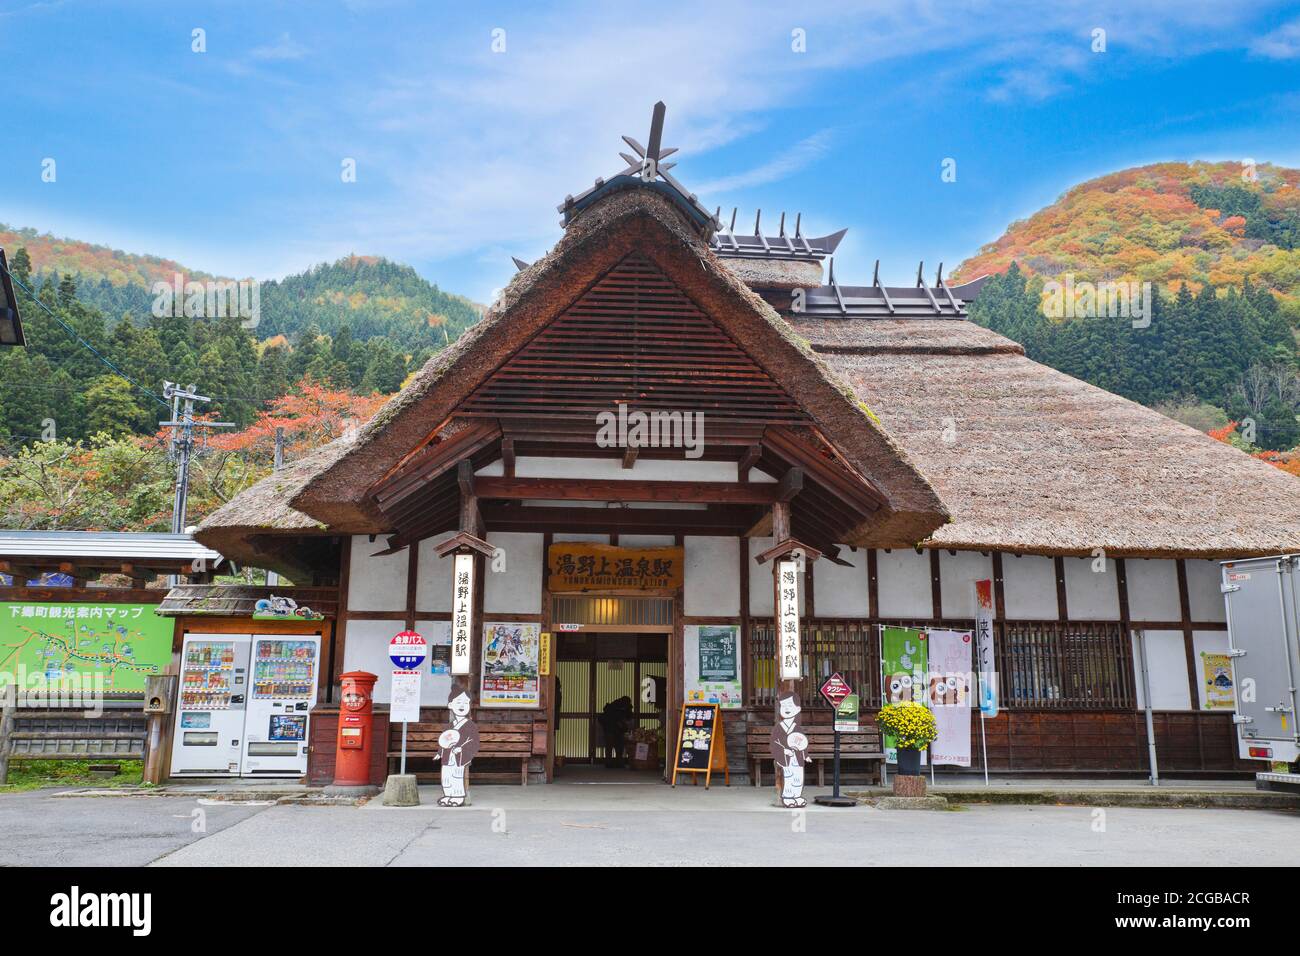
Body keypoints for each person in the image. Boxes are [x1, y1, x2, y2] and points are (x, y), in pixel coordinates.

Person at [436, 683, 479, 807]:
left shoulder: (470, 725)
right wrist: (440, 753)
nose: (462, 706)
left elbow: (474, 741)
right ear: (450, 705)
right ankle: (448, 795)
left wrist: (462, 748)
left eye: (465, 703)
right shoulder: (449, 726)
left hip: (459, 757)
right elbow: (443, 741)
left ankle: (458, 796)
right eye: (458, 702)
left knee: (456, 776)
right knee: (446, 776)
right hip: (447, 756)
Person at [598, 695, 634, 768]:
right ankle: (618, 762)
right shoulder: (614, 708)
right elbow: (628, 717)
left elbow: (628, 716)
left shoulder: (611, 706)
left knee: (611, 746)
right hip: (612, 728)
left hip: (611, 729)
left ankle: (610, 763)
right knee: (618, 746)